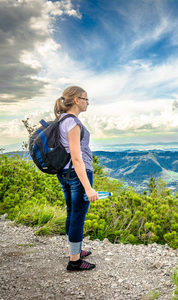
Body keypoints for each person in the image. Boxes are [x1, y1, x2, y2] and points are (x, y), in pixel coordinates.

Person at [54, 86, 99, 271]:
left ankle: (75, 250)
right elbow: (76, 156)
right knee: (78, 217)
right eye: (86, 99)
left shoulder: (61, 120)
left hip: (64, 173)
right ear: (76, 100)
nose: (88, 102)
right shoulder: (73, 123)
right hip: (77, 174)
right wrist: (88, 188)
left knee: (72, 213)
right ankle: (75, 261)